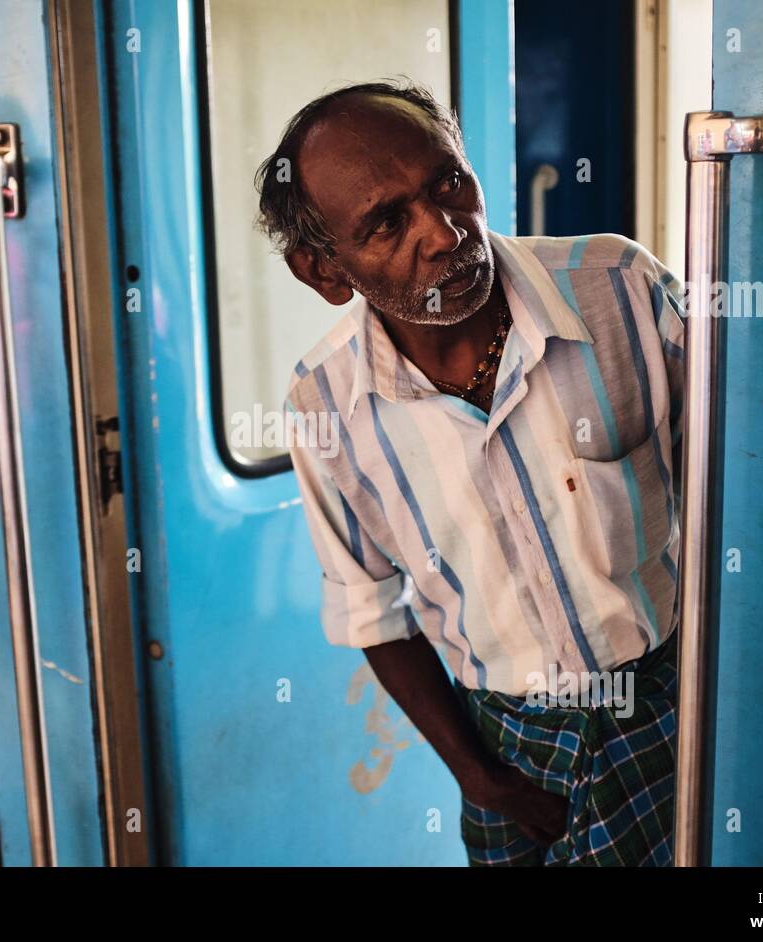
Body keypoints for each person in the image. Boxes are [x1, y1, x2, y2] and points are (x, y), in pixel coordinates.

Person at [258, 79, 685, 866]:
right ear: (324, 271)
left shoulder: (621, 293)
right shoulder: (325, 405)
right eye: (388, 222)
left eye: (449, 182)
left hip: (668, 702)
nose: (447, 233)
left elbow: (753, 493)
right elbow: (373, 612)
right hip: (506, 738)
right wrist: (480, 777)